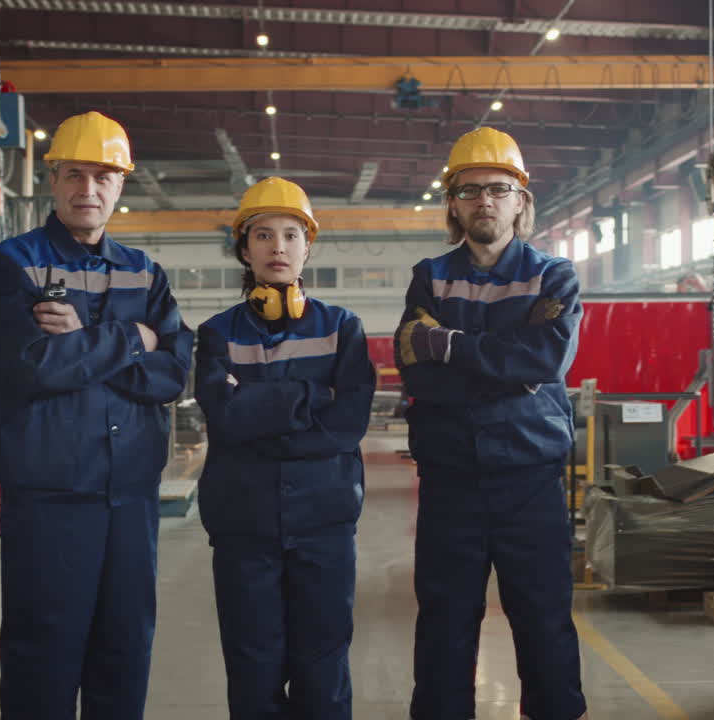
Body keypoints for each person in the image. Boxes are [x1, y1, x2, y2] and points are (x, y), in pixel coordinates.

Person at [0, 110, 193, 720]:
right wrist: (134, 338)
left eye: (103, 176)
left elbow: (174, 374)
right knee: (42, 653)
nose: (88, 190)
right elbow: (37, 367)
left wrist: (87, 340)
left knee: (123, 651)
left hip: (129, 497)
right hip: (49, 498)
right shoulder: (14, 263)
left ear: (121, 185)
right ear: (53, 180)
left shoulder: (144, 271)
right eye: (75, 174)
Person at [396, 127, 588, 720]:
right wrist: (502, 362)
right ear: (453, 202)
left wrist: (448, 344)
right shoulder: (429, 276)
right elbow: (418, 373)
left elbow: (544, 360)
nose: (485, 201)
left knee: (543, 615)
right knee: (445, 618)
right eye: (470, 190)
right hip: (452, 476)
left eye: (499, 189)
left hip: (529, 476)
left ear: (520, 201)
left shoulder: (553, 276)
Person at [194, 177, 376, 720]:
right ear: (244, 250)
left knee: (324, 660)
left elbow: (348, 423)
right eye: (264, 235)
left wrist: (258, 407)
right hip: (242, 525)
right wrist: (311, 396)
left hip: (324, 522)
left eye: (292, 235)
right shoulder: (215, 333)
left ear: (307, 247)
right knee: (253, 663)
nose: (278, 247)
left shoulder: (343, 327)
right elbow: (224, 419)